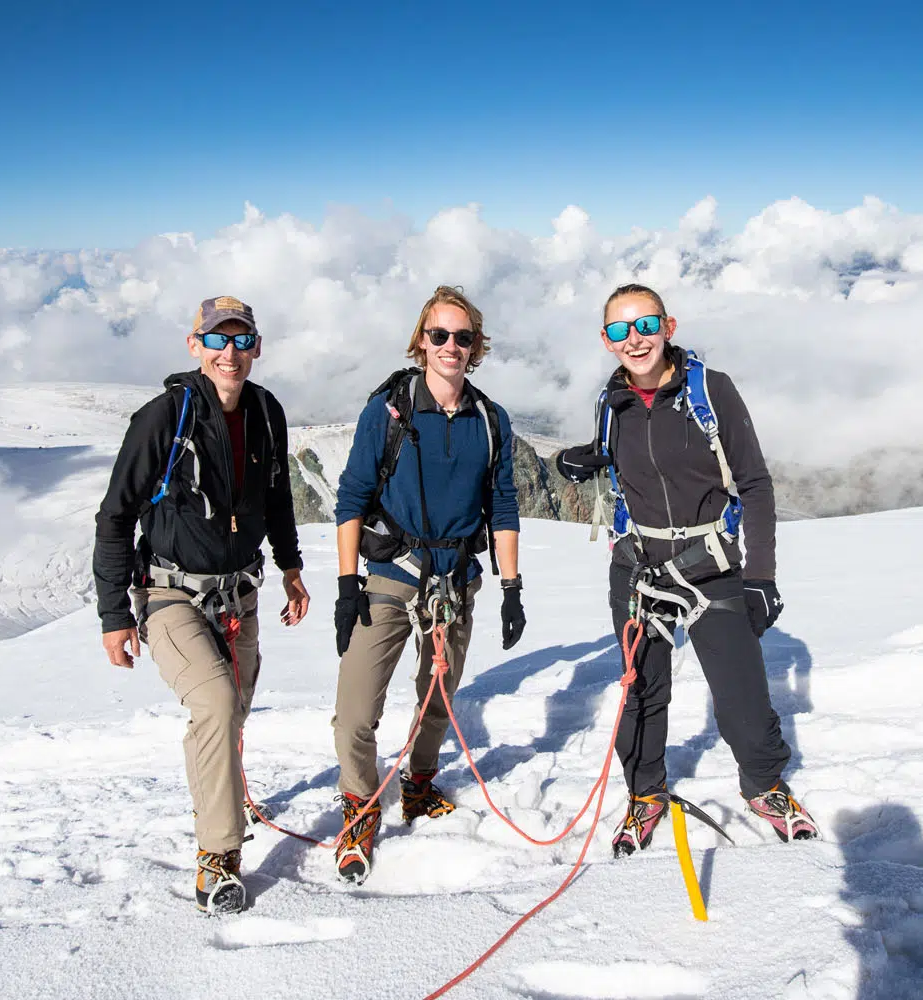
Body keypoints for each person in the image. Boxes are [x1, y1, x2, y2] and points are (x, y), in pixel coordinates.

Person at [555, 283, 817, 856]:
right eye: (620, 330)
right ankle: (644, 793)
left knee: (741, 691)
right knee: (641, 688)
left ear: (668, 327)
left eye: (646, 324)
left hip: (709, 564)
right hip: (638, 565)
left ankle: (765, 784)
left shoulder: (710, 390)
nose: (636, 339)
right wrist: (587, 457)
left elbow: (753, 482)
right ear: (606, 340)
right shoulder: (612, 401)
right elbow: (635, 461)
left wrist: (761, 577)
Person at [93, 295, 309, 915]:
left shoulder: (267, 412)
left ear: (257, 347)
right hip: (169, 594)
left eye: (241, 340)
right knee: (215, 703)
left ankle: (220, 799)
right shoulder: (163, 418)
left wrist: (292, 567)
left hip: (240, 590)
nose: (230, 353)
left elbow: (277, 501)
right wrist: (114, 616)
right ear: (196, 347)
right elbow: (115, 518)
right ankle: (218, 857)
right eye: (218, 340)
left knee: (232, 709)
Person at [330, 285, 526, 884]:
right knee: (356, 709)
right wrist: (345, 585)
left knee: (437, 697)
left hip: (457, 580)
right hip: (391, 574)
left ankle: (418, 784)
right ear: (421, 341)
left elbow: (502, 503)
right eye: (438, 335)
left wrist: (511, 586)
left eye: (462, 337)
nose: (450, 346)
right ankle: (360, 804)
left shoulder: (490, 420)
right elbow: (353, 496)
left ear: (476, 347)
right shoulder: (387, 411)